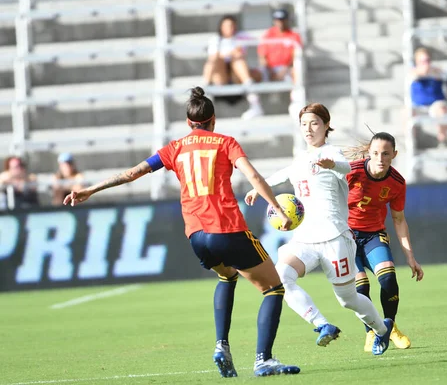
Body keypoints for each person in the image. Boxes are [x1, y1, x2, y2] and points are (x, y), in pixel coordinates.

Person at [63, 87, 300, 378]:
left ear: (189, 123)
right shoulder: (225, 143)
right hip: (227, 228)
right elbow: (252, 175)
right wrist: (275, 206)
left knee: (227, 275)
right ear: (213, 121)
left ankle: (221, 345)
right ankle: (263, 359)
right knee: (273, 287)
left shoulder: (174, 148)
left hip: (197, 236)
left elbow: (132, 173)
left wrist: (91, 189)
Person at [245, 103, 394, 356]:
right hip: (305, 239)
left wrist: (331, 164)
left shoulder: (332, 153)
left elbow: (345, 167)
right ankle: (322, 324)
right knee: (281, 278)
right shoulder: (301, 159)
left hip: (335, 238)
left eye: (314, 123)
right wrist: (257, 189)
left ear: (326, 126)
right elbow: (282, 174)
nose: (308, 129)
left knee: (348, 300)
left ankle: (381, 329)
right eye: (304, 124)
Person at [345, 132, 424, 352]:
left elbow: (398, 219)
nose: (380, 158)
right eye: (376, 153)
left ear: (394, 155)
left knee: (388, 279)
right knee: (361, 286)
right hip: (345, 236)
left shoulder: (397, 183)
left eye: (386, 154)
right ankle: (370, 332)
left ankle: (389, 327)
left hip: (373, 235)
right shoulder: (351, 172)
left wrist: (410, 257)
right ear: (369, 153)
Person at [203, 15, 264, 120]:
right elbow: (214, 57)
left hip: (237, 77)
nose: (229, 28)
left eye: (231, 25)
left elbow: (263, 41)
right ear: (221, 27)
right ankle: (204, 96)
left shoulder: (241, 36)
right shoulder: (216, 40)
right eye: (226, 26)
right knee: (215, 60)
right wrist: (232, 53)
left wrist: (262, 65)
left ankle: (255, 103)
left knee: (238, 60)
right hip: (221, 79)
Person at [409, 48, 447, 148]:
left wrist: (435, 72)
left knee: (442, 110)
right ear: (417, 62)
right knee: (406, 113)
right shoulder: (413, 71)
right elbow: (415, 75)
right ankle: (411, 142)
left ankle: (442, 140)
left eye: (428, 60)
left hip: (435, 104)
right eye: (423, 61)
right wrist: (424, 72)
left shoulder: (436, 70)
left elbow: (446, 77)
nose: (426, 63)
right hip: (418, 106)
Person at [257, 9, 302, 83]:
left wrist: (285, 69)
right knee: (256, 74)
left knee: (296, 72)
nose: (280, 22)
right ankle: (252, 94)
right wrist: (270, 70)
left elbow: (295, 55)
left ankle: (296, 94)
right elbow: (262, 56)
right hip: (269, 68)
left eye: (282, 20)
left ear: (287, 20)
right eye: (277, 20)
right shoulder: (268, 35)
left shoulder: (294, 35)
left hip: (287, 68)